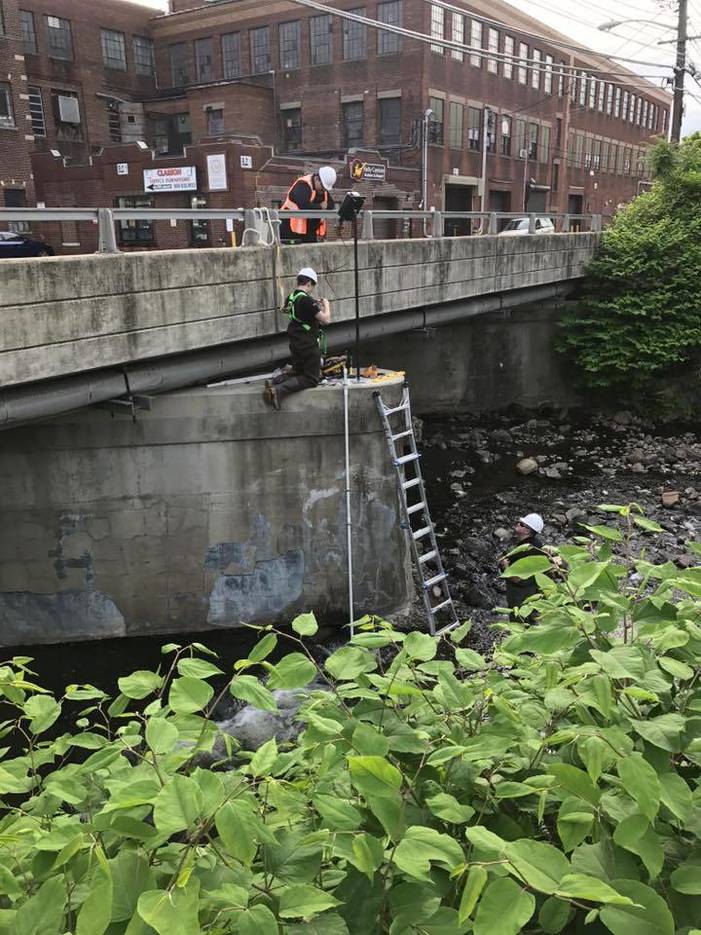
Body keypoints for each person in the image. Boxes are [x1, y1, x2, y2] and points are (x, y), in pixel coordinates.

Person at [263, 267, 331, 410]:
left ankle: (274, 383)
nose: (312, 290)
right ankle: (278, 391)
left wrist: (312, 307)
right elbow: (326, 320)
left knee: (299, 372)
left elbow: (289, 311)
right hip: (308, 344)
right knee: (311, 378)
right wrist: (326, 305)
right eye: (312, 286)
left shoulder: (290, 298)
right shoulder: (307, 300)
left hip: (295, 342)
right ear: (309, 283)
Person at [499, 513, 546, 615]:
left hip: (520, 595)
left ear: (527, 531)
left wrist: (506, 566)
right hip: (531, 591)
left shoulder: (525, 551)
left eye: (521, 524)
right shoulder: (535, 544)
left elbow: (517, 579)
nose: (517, 524)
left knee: (518, 618)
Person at [279, 166, 337, 244]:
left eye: (325, 189)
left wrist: (322, 206)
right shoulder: (302, 185)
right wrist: (320, 206)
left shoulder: (322, 190)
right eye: (323, 187)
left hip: (309, 232)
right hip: (290, 230)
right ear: (317, 179)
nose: (323, 191)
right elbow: (304, 206)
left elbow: (331, 205)